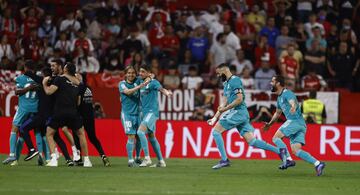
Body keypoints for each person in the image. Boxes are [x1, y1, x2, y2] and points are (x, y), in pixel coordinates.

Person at [207, 63, 282, 169]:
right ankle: (280, 151)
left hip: (238, 112)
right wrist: (214, 118)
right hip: (239, 113)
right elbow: (223, 103)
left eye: (219, 73)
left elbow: (239, 99)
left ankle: (224, 160)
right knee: (252, 141)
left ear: (224, 70)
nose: (218, 76)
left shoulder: (235, 80)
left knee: (216, 132)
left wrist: (226, 109)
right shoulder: (226, 84)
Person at [262, 75, 326, 176]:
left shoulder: (287, 93)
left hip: (294, 121)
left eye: (272, 81)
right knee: (296, 150)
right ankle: (318, 164)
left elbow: (293, 102)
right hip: (301, 125)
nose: (271, 83)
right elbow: (277, 113)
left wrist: (293, 106)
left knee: (275, 138)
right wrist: (270, 124)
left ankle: (288, 160)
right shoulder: (279, 98)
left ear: (278, 83)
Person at [42, 63, 92, 167]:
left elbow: (49, 92)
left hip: (60, 112)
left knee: (49, 133)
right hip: (73, 112)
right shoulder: (78, 83)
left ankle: (53, 160)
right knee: (81, 134)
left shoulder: (60, 79)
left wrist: (44, 84)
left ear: (65, 70)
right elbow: (78, 102)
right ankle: (87, 160)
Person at [2, 60, 39, 165]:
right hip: (36, 109)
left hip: (23, 108)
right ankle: (44, 157)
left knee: (15, 129)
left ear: (25, 68)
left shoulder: (20, 78)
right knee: (27, 132)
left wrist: (27, 88)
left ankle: (12, 155)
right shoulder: (38, 78)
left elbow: (17, 92)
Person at [136, 65, 172, 167]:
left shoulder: (153, 82)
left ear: (148, 73)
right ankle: (161, 161)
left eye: (143, 72)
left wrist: (167, 93)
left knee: (140, 132)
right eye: (140, 71)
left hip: (152, 112)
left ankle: (147, 158)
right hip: (144, 113)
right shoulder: (140, 82)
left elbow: (161, 89)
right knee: (152, 137)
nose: (140, 73)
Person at [73, 73, 110, 166]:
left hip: (80, 116)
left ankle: (79, 158)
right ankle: (103, 155)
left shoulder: (78, 88)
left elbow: (78, 102)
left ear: (78, 78)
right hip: (90, 117)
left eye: (75, 76)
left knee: (77, 137)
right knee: (93, 138)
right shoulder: (88, 88)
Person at [119, 66, 150, 167]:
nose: (131, 75)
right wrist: (140, 86)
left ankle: (137, 157)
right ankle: (130, 160)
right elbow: (128, 92)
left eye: (133, 73)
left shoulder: (138, 80)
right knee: (131, 136)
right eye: (128, 73)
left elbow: (151, 76)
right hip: (127, 114)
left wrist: (148, 78)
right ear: (125, 74)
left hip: (138, 113)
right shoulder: (122, 84)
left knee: (139, 136)